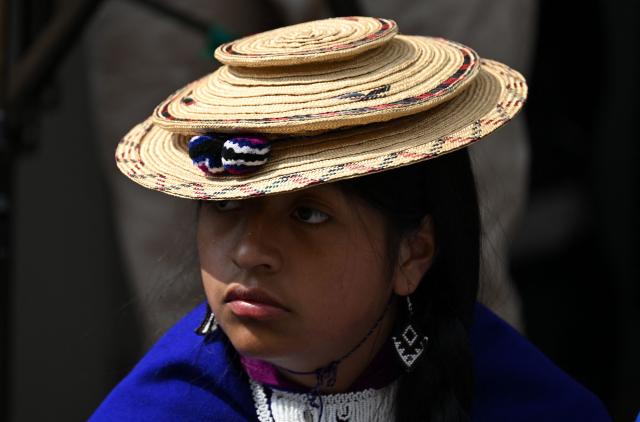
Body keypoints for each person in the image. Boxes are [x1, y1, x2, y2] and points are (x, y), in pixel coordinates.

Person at [90, 17, 610, 421]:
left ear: (413, 252)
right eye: (225, 205)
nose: (248, 252)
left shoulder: (522, 400)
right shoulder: (162, 410)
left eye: (308, 213)